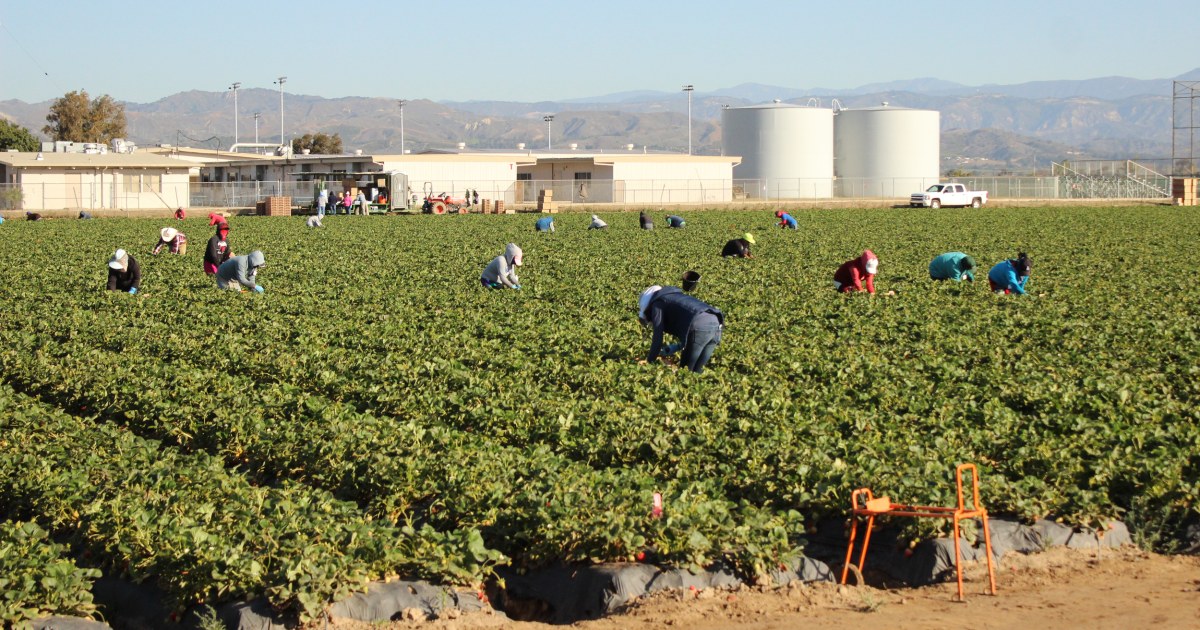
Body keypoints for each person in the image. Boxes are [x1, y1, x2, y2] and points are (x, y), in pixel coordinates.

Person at [637, 285, 725, 374]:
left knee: (685, 373)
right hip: (716, 323)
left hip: (699, 327)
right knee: (698, 372)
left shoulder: (658, 303)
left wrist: (649, 361)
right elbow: (691, 321)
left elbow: (657, 338)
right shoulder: (675, 297)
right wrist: (677, 346)